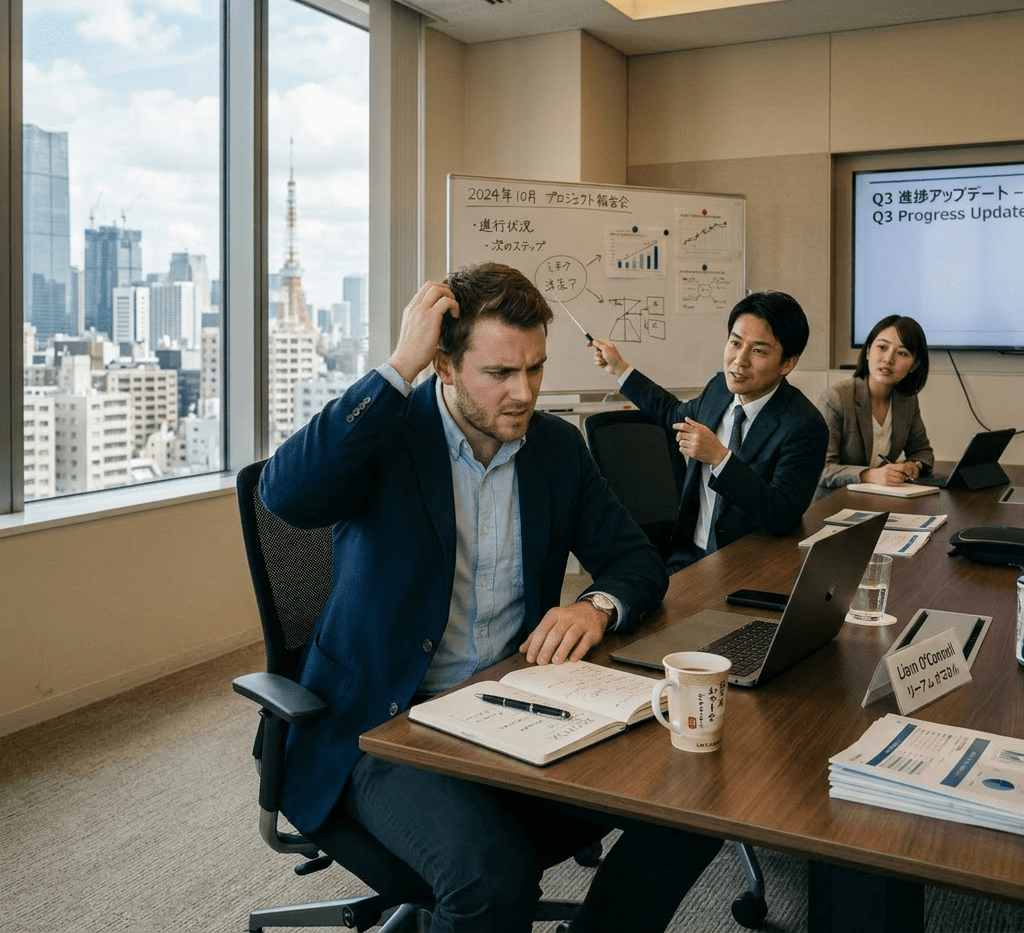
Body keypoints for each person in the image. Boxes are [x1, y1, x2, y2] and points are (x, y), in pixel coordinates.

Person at [259, 262, 723, 933]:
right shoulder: (385, 435)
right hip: (390, 724)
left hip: (517, 703)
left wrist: (594, 606)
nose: (524, 392)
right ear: (445, 367)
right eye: (500, 374)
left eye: (534, 369)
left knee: (698, 796)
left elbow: (634, 563)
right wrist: (395, 369)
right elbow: (285, 496)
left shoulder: (556, 449)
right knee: (492, 885)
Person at [591, 290, 828, 573]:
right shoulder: (719, 389)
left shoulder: (804, 425)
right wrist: (621, 369)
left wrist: (720, 458)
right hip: (688, 555)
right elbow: (672, 413)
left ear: (788, 363)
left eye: (758, 351)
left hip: (750, 567)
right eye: (735, 343)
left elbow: (783, 516)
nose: (739, 360)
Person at [815, 313, 933, 496]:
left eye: (902, 353)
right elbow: (821, 469)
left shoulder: (906, 400)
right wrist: (870, 475)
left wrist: (913, 466)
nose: (888, 359)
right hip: (833, 502)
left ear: (914, 364)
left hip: (879, 500)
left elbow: (923, 452)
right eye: (882, 347)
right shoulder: (836, 398)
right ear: (869, 351)